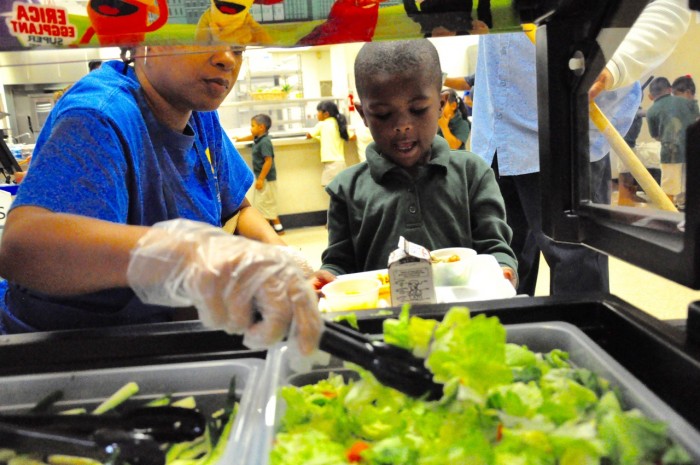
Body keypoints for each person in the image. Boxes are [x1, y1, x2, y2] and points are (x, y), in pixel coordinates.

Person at [0, 45, 321, 355]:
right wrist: (189, 253)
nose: (227, 59)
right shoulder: (101, 115)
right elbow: (22, 247)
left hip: (161, 335)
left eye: (238, 48)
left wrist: (286, 263)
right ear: (142, 39)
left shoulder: (199, 114)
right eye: (203, 38)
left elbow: (236, 207)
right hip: (68, 351)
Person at [471, 0, 692, 296]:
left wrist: (612, 63)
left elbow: (668, 5)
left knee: (577, 271)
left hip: (569, 121)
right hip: (495, 128)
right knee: (499, 271)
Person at [316, 39, 517, 288]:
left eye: (419, 109)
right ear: (363, 115)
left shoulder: (473, 174)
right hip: (383, 323)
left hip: (462, 318)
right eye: (383, 114)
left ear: (442, 105)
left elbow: (494, 249)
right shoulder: (345, 189)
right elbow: (339, 264)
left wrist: (503, 270)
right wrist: (325, 279)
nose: (402, 125)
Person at [646, 76, 699, 209]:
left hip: (670, 152)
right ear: (669, 89)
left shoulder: (651, 111)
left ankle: (667, 215)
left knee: (669, 188)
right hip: (692, 149)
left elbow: (655, 135)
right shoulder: (687, 102)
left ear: (650, 96)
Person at [235, 114, 285, 235]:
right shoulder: (259, 138)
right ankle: (278, 228)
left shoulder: (265, 142)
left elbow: (268, 161)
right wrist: (239, 140)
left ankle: (266, 231)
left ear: (261, 127)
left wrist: (261, 179)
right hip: (263, 178)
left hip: (266, 179)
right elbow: (251, 136)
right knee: (267, 203)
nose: (251, 128)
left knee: (264, 205)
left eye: (252, 125)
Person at [306, 100, 350, 187]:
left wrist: (315, 136)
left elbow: (309, 135)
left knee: (328, 186)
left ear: (326, 114)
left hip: (331, 164)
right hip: (340, 162)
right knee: (339, 189)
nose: (317, 115)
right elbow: (351, 136)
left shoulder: (322, 124)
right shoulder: (339, 124)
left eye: (318, 112)